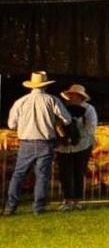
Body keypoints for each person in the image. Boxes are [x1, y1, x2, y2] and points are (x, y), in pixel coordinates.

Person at [7, 71, 71, 216]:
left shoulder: (21, 102)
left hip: (26, 142)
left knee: (18, 175)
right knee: (42, 175)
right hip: (45, 142)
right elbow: (67, 119)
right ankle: (38, 207)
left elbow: (11, 124)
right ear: (45, 85)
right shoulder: (51, 100)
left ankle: (10, 207)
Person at [53, 84, 97, 212]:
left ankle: (77, 200)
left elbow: (90, 127)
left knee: (79, 172)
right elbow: (56, 124)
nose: (70, 97)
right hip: (63, 147)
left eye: (73, 95)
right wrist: (63, 137)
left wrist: (75, 136)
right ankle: (67, 199)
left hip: (82, 145)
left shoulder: (89, 109)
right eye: (70, 95)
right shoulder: (63, 109)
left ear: (80, 96)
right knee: (65, 173)